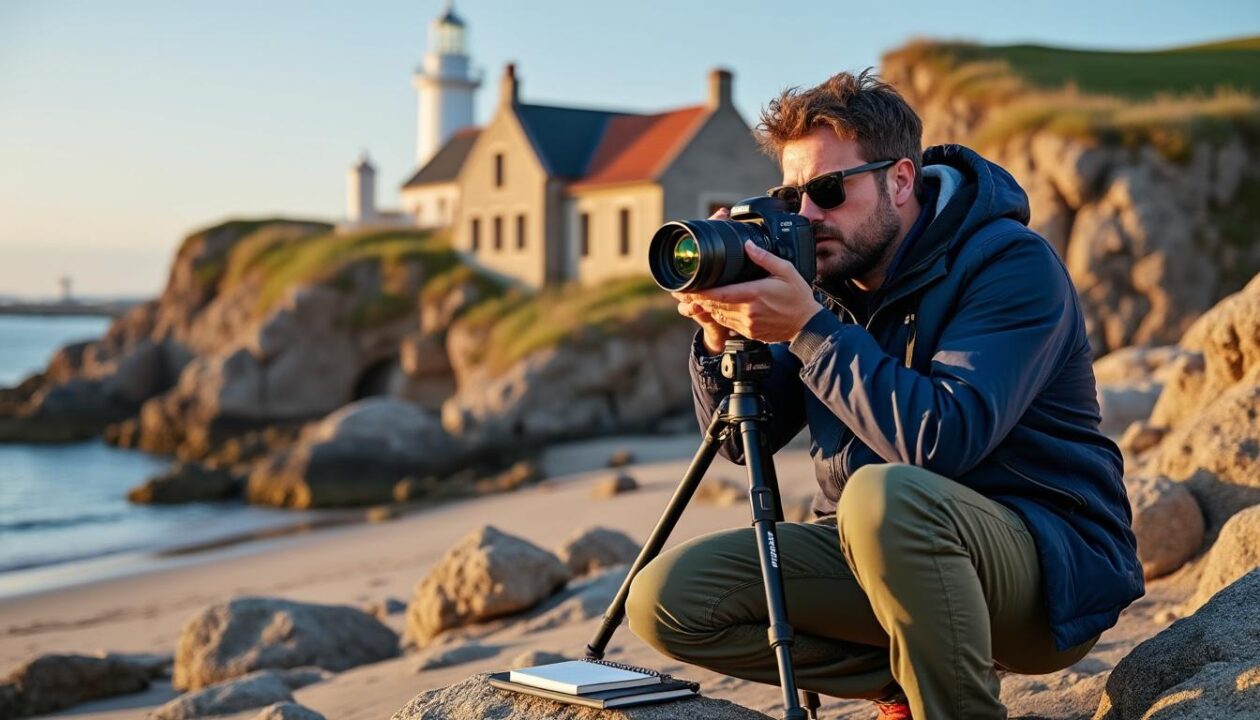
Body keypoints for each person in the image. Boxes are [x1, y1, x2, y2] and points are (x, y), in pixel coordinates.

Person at [624, 69, 1143, 720]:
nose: (808, 216)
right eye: (792, 196)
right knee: (668, 599)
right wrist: (722, 339)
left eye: (828, 191)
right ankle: (905, 677)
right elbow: (740, 440)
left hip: (1039, 568)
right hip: (876, 554)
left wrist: (809, 331)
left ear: (900, 180)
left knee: (885, 494)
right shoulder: (824, 278)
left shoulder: (1010, 264)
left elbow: (942, 439)